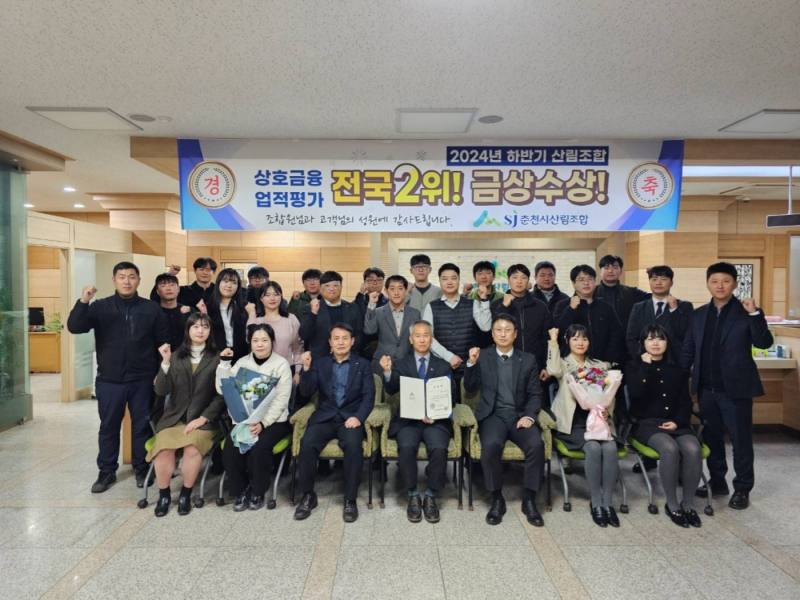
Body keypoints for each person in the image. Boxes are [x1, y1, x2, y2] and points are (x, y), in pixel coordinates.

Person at [67, 261, 169, 493]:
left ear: (138, 280)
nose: (127, 281)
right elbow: (75, 326)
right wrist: (84, 301)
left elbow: (162, 341)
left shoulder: (151, 309)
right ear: (114, 280)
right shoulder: (100, 307)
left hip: (142, 379)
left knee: (142, 426)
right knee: (108, 427)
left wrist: (159, 372)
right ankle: (106, 471)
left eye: (131, 277)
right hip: (110, 380)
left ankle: (142, 467)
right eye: (122, 277)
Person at [681, 262, 773, 510]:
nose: (719, 286)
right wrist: (680, 378)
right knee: (712, 438)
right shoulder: (699, 315)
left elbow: (764, 342)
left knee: (740, 440)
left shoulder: (746, 312)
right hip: (706, 390)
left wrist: (755, 314)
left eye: (725, 281)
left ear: (734, 284)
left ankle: (742, 488)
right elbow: (689, 349)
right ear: (708, 284)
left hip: (736, 390)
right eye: (714, 281)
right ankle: (718, 481)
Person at [463, 314, 546, 527]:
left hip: (519, 416)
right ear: (492, 334)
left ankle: (529, 499)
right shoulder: (483, 356)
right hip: (493, 415)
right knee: (491, 445)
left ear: (515, 334)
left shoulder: (527, 359)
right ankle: (496, 498)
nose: (502, 334)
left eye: (507, 330)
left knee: (536, 445)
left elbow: (535, 394)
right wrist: (471, 363)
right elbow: (470, 388)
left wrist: (529, 416)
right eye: (498, 330)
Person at [294, 324, 375, 523]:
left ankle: (350, 499)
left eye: (345, 338)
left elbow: (369, 397)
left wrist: (358, 417)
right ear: (330, 342)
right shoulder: (320, 364)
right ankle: (308, 495)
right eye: (336, 338)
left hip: (350, 418)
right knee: (307, 444)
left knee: (354, 447)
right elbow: (306, 392)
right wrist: (306, 369)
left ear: (352, 341)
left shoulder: (363, 365)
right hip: (325, 417)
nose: (340, 342)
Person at [626, 325, 703, 528]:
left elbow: (685, 402)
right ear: (643, 343)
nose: (655, 343)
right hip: (647, 424)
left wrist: (677, 421)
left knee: (693, 448)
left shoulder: (677, 369)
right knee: (669, 448)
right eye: (650, 339)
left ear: (667, 343)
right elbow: (636, 394)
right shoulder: (634, 367)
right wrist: (645, 367)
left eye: (660, 339)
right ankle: (672, 504)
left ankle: (688, 504)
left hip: (676, 422)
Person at [149, 313, 224, 517]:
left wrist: (203, 418)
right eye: (196, 326)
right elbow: (161, 390)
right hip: (175, 418)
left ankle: (185, 494)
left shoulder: (218, 358)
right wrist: (165, 362)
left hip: (204, 420)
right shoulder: (175, 356)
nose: (200, 331)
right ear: (188, 330)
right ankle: (164, 495)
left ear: (210, 331)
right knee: (164, 448)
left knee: (192, 447)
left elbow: (221, 396)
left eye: (205, 327)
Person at [547, 325, 621, 527]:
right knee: (593, 448)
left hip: (598, 421)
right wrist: (553, 341)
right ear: (568, 341)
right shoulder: (563, 364)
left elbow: (610, 393)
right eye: (575, 339)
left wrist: (607, 411)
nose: (580, 343)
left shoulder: (600, 365)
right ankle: (596, 502)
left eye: (584, 339)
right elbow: (552, 370)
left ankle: (608, 503)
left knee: (611, 448)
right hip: (573, 424)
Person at [216, 323, 293, 511]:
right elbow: (223, 389)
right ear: (249, 342)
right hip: (245, 420)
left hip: (274, 421)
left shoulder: (281, 364)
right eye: (255, 340)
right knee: (231, 448)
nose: (260, 344)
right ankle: (240, 490)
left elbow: (281, 400)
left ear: (272, 342)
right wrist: (224, 365)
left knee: (259, 448)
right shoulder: (242, 363)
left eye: (265, 340)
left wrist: (263, 423)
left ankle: (258, 491)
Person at [381, 320, 452, 523]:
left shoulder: (443, 365)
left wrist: (436, 412)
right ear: (411, 339)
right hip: (409, 420)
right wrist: (387, 371)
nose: (422, 339)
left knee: (439, 448)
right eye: (418, 336)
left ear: (432, 339)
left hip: (435, 420)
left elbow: (451, 395)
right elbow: (391, 389)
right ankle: (412, 493)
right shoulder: (401, 363)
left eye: (426, 335)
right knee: (406, 446)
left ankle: (431, 495)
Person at [422, 263, 492, 392]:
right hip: (441, 366)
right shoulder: (431, 306)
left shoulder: (473, 303)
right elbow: (428, 338)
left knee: (469, 400)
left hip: (469, 366)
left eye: (453, 278)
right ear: (440, 281)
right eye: (445, 279)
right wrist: (449, 357)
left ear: (459, 280)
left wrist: (484, 299)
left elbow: (486, 327)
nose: (449, 282)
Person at [492, 263, 553, 379]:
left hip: (535, 366)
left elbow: (547, 338)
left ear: (528, 281)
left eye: (523, 277)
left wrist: (546, 365)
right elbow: (492, 335)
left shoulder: (540, 306)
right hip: (505, 365)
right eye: (515, 277)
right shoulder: (497, 305)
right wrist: (504, 307)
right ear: (508, 280)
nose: (519, 281)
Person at [553, 265, 624, 365]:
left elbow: (616, 334)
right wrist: (570, 310)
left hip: (602, 363)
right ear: (573, 283)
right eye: (581, 279)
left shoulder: (605, 307)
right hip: (571, 364)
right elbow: (557, 332)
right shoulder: (563, 305)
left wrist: (609, 359)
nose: (586, 283)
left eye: (590, 279)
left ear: (595, 282)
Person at [626, 265, 693, 363]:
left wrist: (674, 310)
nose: (658, 282)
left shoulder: (685, 306)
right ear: (649, 282)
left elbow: (686, 337)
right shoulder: (638, 308)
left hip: (674, 364)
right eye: (654, 279)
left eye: (663, 279)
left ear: (671, 282)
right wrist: (641, 356)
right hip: (645, 363)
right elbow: (631, 338)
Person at [245, 281, 304, 384]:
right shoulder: (256, 320)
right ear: (261, 299)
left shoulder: (291, 319)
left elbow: (298, 349)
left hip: (286, 370)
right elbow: (248, 341)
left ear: (281, 297)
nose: (272, 298)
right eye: (267, 295)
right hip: (260, 372)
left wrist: (298, 372)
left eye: (276, 294)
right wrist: (252, 314)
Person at [299, 270, 363, 359]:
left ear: (341, 287)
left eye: (335, 285)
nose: (332, 289)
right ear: (320, 288)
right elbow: (304, 335)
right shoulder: (310, 308)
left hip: (348, 357)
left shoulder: (352, 307)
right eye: (327, 286)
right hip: (320, 359)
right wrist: (313, 314)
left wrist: (344, 350)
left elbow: (359, 334)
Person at [364, 275, 420, 374]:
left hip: (407, 364)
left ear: (406, 291)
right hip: (381, 363)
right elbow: (369, 330)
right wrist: (371, 304)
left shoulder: (415, 313)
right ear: (386, 291)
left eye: (400, 288)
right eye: (392, 289)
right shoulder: (378, 312)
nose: (396, 293)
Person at [594, 254, 649, 338]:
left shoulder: (632, 292)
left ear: (621, 271)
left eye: (615, 267)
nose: (610, 271)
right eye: (606, 267)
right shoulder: (591, 292)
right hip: (598, 341)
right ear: (600, 271)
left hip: (625, 341)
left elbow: (654, 298)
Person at [207, 268, 249, 361]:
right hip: (215, 356)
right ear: (218, 283)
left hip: (241, 356)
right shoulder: (208, 307)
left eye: (234, 283)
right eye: (225, 281)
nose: (229, 285)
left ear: (238, 287)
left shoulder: (245, 307)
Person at [463, 260, 505, 347]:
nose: (484, 277)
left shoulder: (502, 297)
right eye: (480, 273)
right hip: (473, 345)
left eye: (488, 273)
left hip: (497, 344)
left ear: (494, 276)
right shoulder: (469, 297)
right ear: (474, 277)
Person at [149, 257, 218, 309]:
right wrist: (169, 274)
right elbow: (155, 298)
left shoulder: (218, 290)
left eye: (208, 270)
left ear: (214, 272)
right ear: (195, 271)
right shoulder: (183, 291)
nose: (204, 273)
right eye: (201, 269)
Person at [353, 267, 387, 360]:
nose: (375, 283)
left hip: (382, 348)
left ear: (383, 283)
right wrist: (360, 294)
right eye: (370, 280)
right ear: (364, 283)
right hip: (361, 347)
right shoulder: (359, 301)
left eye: (379, 280)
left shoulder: (388, 303)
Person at [154, 272, 191, 351]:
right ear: (157, 291)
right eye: (163, 285)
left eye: (172, 285)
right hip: (158, 356)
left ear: (178, 289)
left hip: (184, 356)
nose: (168, 288)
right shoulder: (153, 312)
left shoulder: (188, 311)